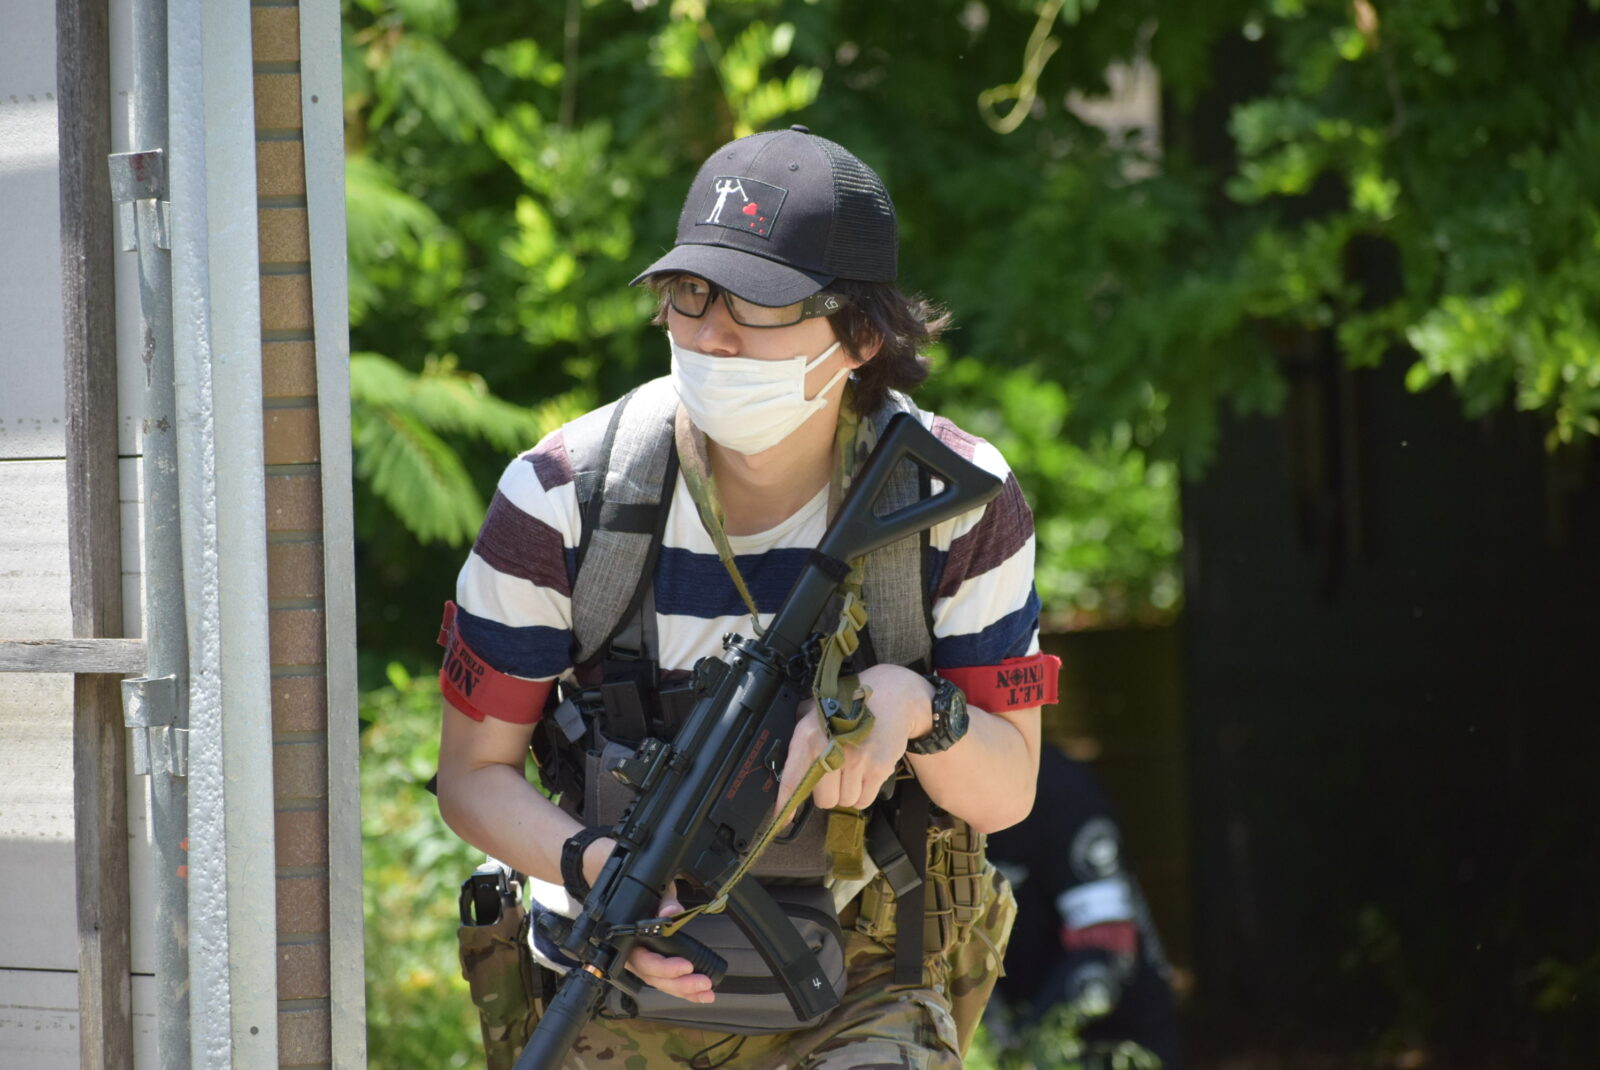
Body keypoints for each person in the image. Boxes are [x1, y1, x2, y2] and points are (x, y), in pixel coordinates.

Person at [435, 124, 1057, 1068]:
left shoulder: (953, 500)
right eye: (691, 292)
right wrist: (597, 869)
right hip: (614, 966)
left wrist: (910, 707)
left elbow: (1007, 791)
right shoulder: (563, 496)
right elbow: (474, 776)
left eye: (759, 301)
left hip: (866, 976)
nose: (712, 333)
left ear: (862, 336)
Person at [984, 744, 1183, 1069]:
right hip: (1007, 1025)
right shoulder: (922, 790)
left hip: (1113, 1043)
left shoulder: (1059, 788)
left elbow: (1108, 949)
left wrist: (1014, 1046)